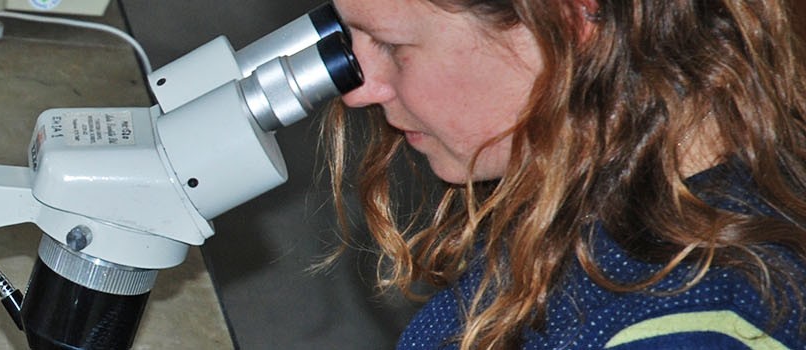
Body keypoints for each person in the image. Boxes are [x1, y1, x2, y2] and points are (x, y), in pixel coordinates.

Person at [326, 0, 806, 348]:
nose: (359, 90)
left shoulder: (695, 327)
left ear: (568, 18)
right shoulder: (585, 226)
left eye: (390, 44)